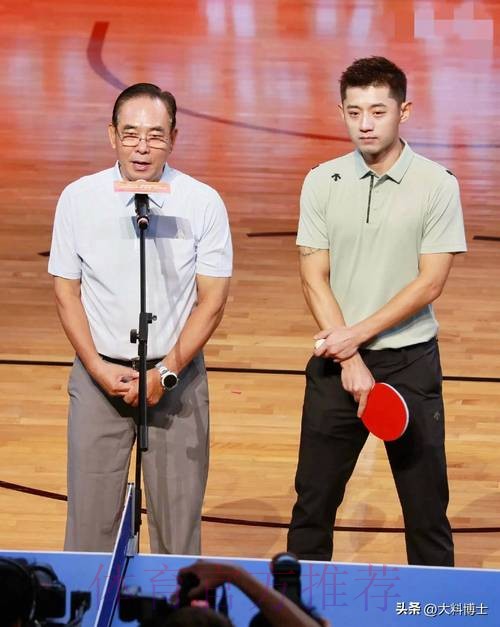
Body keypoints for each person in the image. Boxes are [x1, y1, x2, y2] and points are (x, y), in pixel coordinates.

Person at [287, 57, 466, 566]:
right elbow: (313, 277)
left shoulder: (437, 184)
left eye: (378, 111)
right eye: (354, 112)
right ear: (342, 112)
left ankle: (436, 607)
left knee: (426, 513)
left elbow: (430, 283)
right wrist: (349, 357)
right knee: (312, 507)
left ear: (403, 112)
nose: (365, 124)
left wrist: (354, 337)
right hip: (336, 366)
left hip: (409, 364)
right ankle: (296, 606)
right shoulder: (321, 181)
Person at [48, 83, 232, 554]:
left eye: (155, 135)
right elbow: (66, 291)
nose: (142, 148)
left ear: (174, 137)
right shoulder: (78, 198)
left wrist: (165, 372)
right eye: (130, 135)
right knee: (88, 533)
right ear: (112, 135)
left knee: (178, 535)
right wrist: (96, 368)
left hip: (176, 380)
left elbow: (212, 300)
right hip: (98, 379)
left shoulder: (202, 202)